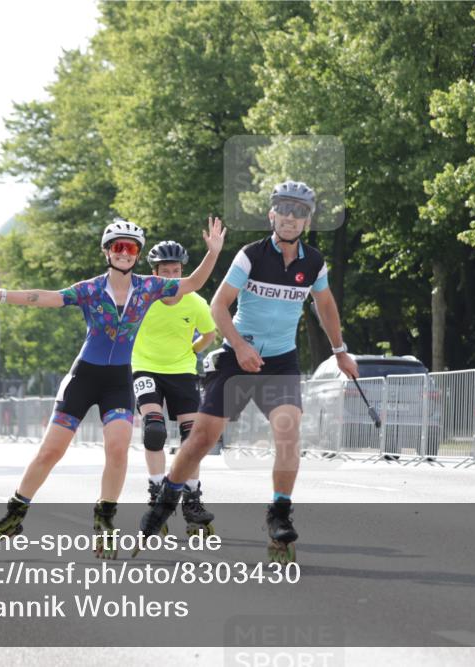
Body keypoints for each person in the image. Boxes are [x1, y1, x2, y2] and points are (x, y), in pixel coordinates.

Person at [0, 217, 225, 557]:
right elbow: (46, 297)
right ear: (107, 251)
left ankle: (105, 519)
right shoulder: (90, 289)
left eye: (130, 247)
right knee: (50, 452)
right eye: (117, 246)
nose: (123, 252)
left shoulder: (150, 287)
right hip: (83, 378)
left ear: (137, 254)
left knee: (117, 449)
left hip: (118, 381)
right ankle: (14, 514)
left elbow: (191, 283)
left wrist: (214, 253)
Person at [139, 181, 358, 563]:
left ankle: (279, 513)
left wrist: (340, 351)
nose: (290, 218)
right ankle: (165, 501)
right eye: (284, 210)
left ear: (307, 220)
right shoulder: (250, 255)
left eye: (299, 212)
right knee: (202, 440)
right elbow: (218, 306)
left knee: (289, 433)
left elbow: (325, 305)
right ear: (272, 215)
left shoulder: (313, 262)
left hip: (281, 362)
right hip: (236, 358)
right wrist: (239, 346)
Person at [131, 240, 218, 535]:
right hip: (145, 368)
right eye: (165, 271)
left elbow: (209, 333)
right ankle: (157, 494)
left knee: (192, 438)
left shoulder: (194, 301)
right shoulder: (142, 299)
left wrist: (191, 351)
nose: (171, 276)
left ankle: (191, 499)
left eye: (176, 271)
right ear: (154, 273)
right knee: (154, 429)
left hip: (181, 371)